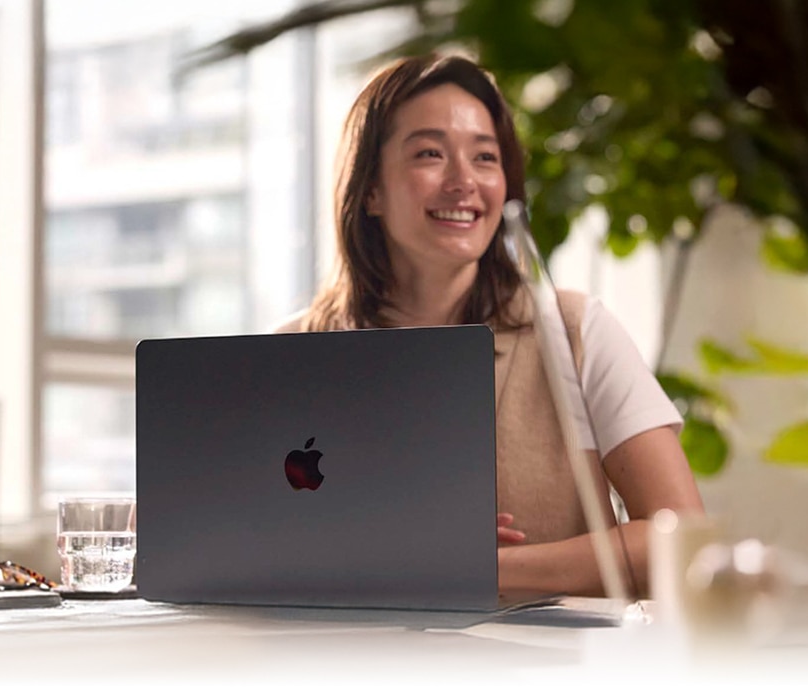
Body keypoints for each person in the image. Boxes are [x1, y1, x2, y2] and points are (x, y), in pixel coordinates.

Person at [277, 52, 704, 599]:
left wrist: (470, 565)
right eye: (430, 153)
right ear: (370, 190)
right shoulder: (290, 353)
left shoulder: (576, 332)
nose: (464, 182)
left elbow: (682, 543)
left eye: (485, 157)